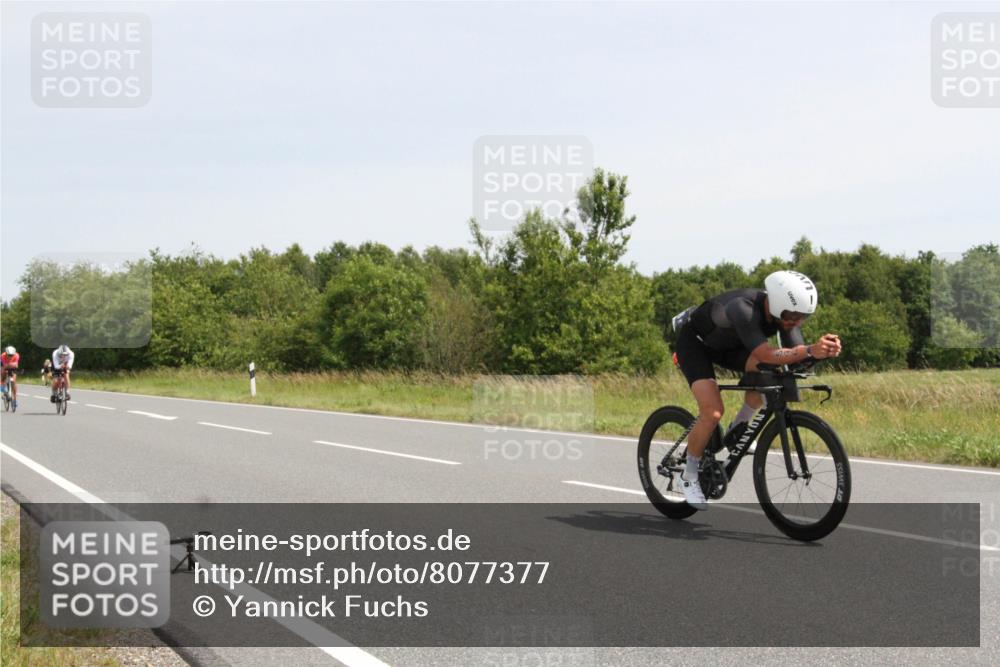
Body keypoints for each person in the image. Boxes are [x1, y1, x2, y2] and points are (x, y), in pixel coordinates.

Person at [672, 270, 842, 510]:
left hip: (730, 348)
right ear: (777, 304)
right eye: (793, 315)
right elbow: (765, 354)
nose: (796, 322)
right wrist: (809, 350)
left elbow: (797, 357)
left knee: (771, 375)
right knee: (712, 412)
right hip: (697, 345)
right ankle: (689, 475)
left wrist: (822, 353)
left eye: (802, 317)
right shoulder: (743, 308)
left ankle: (738, 427)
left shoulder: (784, 316)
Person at [1, 345, 20, 410]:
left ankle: (14, 399)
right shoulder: (3, 355)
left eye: (12, 355)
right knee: (3, 372)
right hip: (4, 365)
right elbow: (4, 366)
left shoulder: (17, 355)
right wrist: (9, 365)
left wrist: (12, 365)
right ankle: (2, 386)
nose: (10, 356)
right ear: (6, 353)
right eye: (9, 355)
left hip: (13, 367)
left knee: (14, 381)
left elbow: (16, 365)